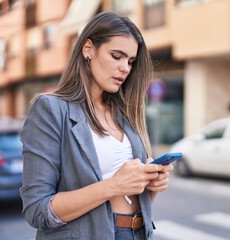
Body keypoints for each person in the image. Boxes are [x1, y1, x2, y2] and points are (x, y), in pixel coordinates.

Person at [20, 12, 174, 240]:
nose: (125, 68)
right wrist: (114, 185)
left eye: (130, 61)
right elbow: (38, 211)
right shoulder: (51, 109)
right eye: (116, 56)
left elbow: (131, 196)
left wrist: (149, 185)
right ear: (88, 49)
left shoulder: (126, 114)